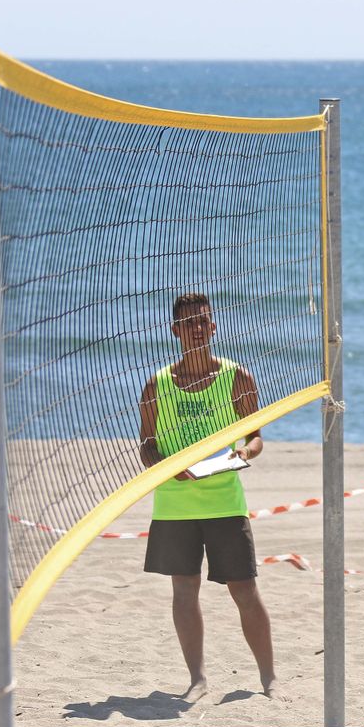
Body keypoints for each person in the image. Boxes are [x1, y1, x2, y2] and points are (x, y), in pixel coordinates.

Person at [137, 292, 275, 702]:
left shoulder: (237, 378)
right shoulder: (157, 385)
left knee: (245, 591)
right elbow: (146, 445)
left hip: (224, 502)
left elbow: (255, 436)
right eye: (189, 322)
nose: (197, 328)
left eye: (203, 321)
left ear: (213, 327)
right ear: (175, 331)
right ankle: (197, 680)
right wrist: (166, 467)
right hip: (174, 503)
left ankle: (269, 679)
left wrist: (244, 454)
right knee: (184, 591)